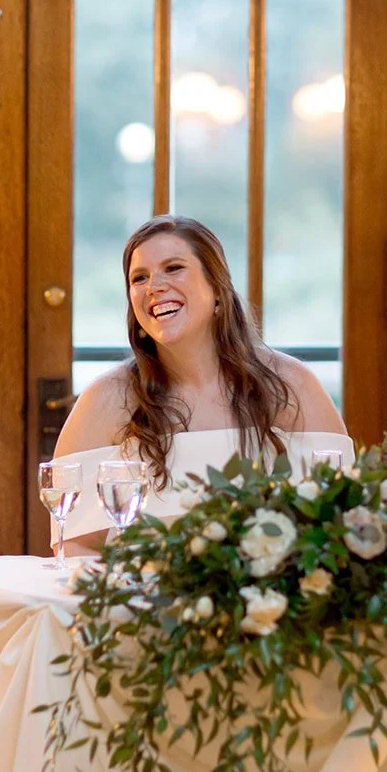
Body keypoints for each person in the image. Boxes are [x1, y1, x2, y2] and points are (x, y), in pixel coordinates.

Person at [54, 215, 350, 549]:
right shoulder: (107, 399)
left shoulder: (291, 386)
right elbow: (74, 544)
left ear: (217, 288)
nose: (154, 286)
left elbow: (341, 519)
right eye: (139, 278)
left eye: (174, 268)